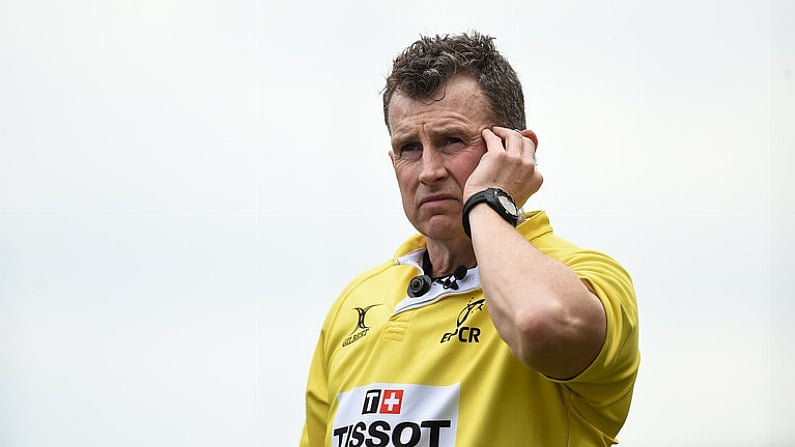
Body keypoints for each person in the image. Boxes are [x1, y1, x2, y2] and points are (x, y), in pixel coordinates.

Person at [300, 31, 639, 447]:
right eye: (409, 147)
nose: (428, 171)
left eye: (451, 141)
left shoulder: (585, 275)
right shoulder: (357, 300)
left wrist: (487, 201)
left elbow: (540, 323)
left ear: (514, 149)